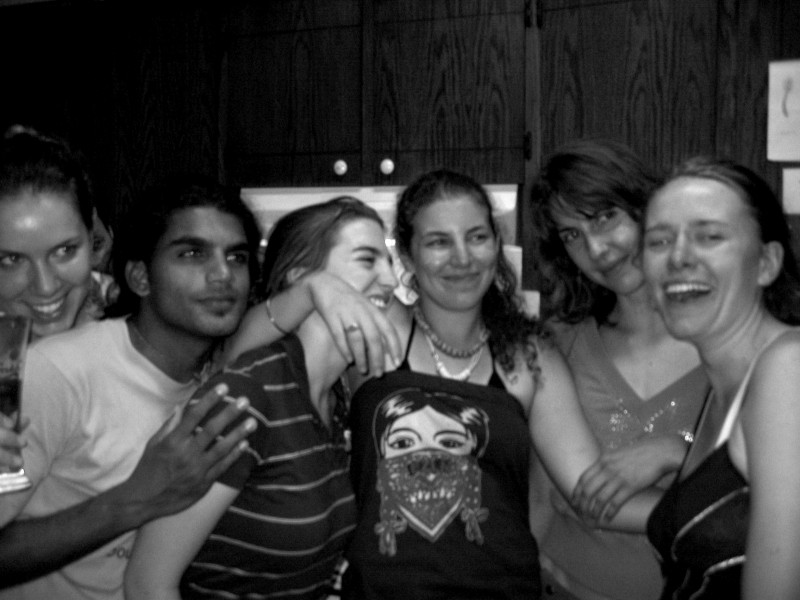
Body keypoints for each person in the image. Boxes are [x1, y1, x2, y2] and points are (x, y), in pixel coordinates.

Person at [228, 169, 661, 599]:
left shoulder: (532, 357)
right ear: (408, 257)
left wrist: (698, 504)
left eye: (477, 237)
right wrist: (313, 288)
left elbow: (589, 493)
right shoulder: (376, 326)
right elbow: (240, 355)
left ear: (496, 244)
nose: (462, 258)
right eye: (438, 242)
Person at [124, 196, 398, 599]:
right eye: (367, 260)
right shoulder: (247, 397)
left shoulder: (337, 399)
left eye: (389, 261)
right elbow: (147, 584)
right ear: (302, 278)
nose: (390, 279)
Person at [0, 177, 261, 600]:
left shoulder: (225, 376)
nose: (222, 274)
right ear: (140, 277)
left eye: (237, 257)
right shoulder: (58, 373)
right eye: (192, 253)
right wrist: (134, 500)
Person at [527, 139, 709, 600]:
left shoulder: (729, 340)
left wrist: (678, 451)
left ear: (648, 208)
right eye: (571, 235)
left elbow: (773, 483)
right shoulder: (558, 344)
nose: (597, 249)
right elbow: (548, 501)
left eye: (605, 217)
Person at [642, 157, 800, 600]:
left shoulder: (789, 367)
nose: (678, 257)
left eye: (709, 236)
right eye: (659, 241)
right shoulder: (718, 390)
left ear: (766, 263)